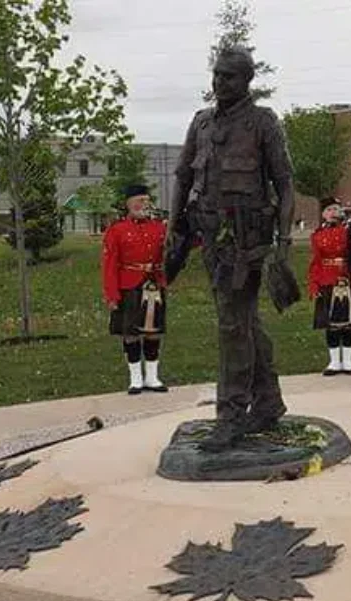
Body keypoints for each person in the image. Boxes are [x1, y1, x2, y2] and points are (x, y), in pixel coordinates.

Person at [164, 46, 297, 450]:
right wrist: (174, 228)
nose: (219, 83)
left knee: (231, 324)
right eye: (217, 75)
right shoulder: (201, 124)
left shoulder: (262, 123)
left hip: (247, 242)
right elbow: (184, 178)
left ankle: (231, 414)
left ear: (247, 81)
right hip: (209, 239)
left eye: (229, 77)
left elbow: (286, 183)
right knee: (243, 321)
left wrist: (285, 243)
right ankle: (269, 401)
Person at [102, 183, 169, 394]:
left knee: (153, 331)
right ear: (128, 204)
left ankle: (152, 377)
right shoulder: (117, 230)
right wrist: (111, 295)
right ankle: (135, 378)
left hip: (154, 284)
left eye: (147, 200)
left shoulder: (160, 227)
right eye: (140, 200)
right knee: (130, 332)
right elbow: (110, 264)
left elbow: (176, 246)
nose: (144, 204)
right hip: (129, 284)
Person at [308, 197, 351, 376]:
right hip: (327, 280)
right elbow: (316, 262)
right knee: (332, 324)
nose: (333, 212)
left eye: (336, 209)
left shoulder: (350, 230)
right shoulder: (317, 235)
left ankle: (348, 361)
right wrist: (314, 285)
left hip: (348, 278)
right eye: (329, 209)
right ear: (323, 214)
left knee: (348, 323)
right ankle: (334, 362)